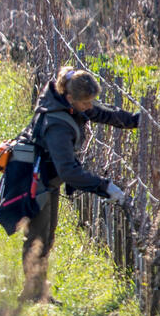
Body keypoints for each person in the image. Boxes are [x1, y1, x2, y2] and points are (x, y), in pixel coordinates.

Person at [16, 64, 139, 303]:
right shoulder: (58, 125)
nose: (89, 107)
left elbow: (104, 113)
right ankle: (31, 295)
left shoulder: (68, 102)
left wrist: (136, 121)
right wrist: (105, 187)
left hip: (48, 177)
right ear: (71, 98)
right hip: (36, 180)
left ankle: (38, 292)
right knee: (38, 238)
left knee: (47, 236)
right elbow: (70, 172)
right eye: (85, 103)